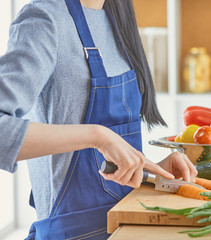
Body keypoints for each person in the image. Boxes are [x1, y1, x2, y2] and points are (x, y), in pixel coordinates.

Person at [0, 0, 197, 239]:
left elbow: (107, 167)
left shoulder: (116, 19)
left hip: (127, 224)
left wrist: (151, 174)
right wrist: (98, 136)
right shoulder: (44, 19)